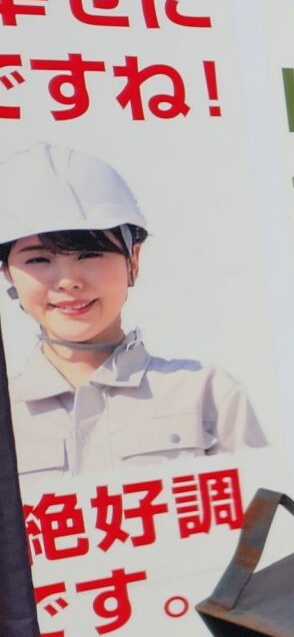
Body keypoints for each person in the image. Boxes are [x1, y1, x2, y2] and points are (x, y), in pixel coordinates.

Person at [3, 145, 265, 480]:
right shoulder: (7, 413)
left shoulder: (208, 394)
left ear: (134, 261)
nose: (68, 281)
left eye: (90, 254)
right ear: (9, 274)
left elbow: (267, 519)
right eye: (38, 259)